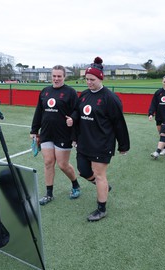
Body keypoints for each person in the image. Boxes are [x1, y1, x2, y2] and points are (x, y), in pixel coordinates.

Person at [67, 57, 130, 221]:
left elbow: (119, 124)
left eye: (92, 79)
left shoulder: (110, 98)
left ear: (100, 78)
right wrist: (74, 137)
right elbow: (77, 115)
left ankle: (101, 209)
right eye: (87, 79)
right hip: (84, 141)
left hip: (102, 143)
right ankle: (104, 187)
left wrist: (123, 145)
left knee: (99, 174)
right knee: (83, 171)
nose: (89, 82)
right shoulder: (85, 95)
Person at [30, 65, 80, 205]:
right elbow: (39, 112)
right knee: (48, 162)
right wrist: (34, 130)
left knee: (63, 165)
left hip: (64, 134)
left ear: (64, 77)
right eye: (54, 76)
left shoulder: (70, 92)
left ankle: (75, 184)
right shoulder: (45, 91)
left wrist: (73, 119)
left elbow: (77, 111)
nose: (56, 78)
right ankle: (49, 194)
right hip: (46, 133)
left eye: (59, 76)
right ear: (50, 76)